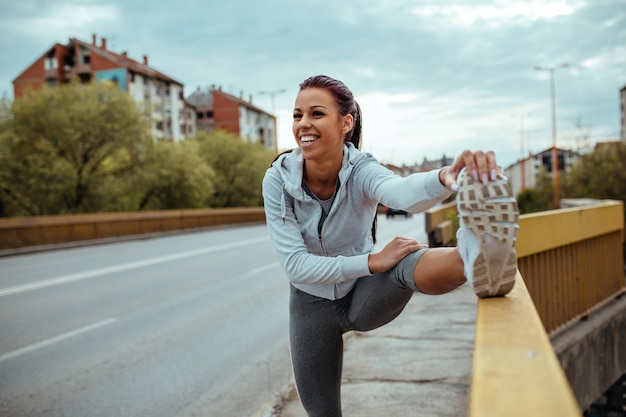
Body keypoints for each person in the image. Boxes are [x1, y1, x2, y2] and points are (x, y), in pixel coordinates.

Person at [262, 75, 519, 417]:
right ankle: (468, 256)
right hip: (311, 309)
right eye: (297, 115)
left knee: (402, 262)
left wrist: (444, 177)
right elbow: (295, 265)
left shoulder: (361, 170)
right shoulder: (278, 180)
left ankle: (471, 257)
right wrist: (371, 261)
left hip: (363, 297)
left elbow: (401, 192)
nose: (304, 124)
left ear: (346, 123)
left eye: (316, 113)